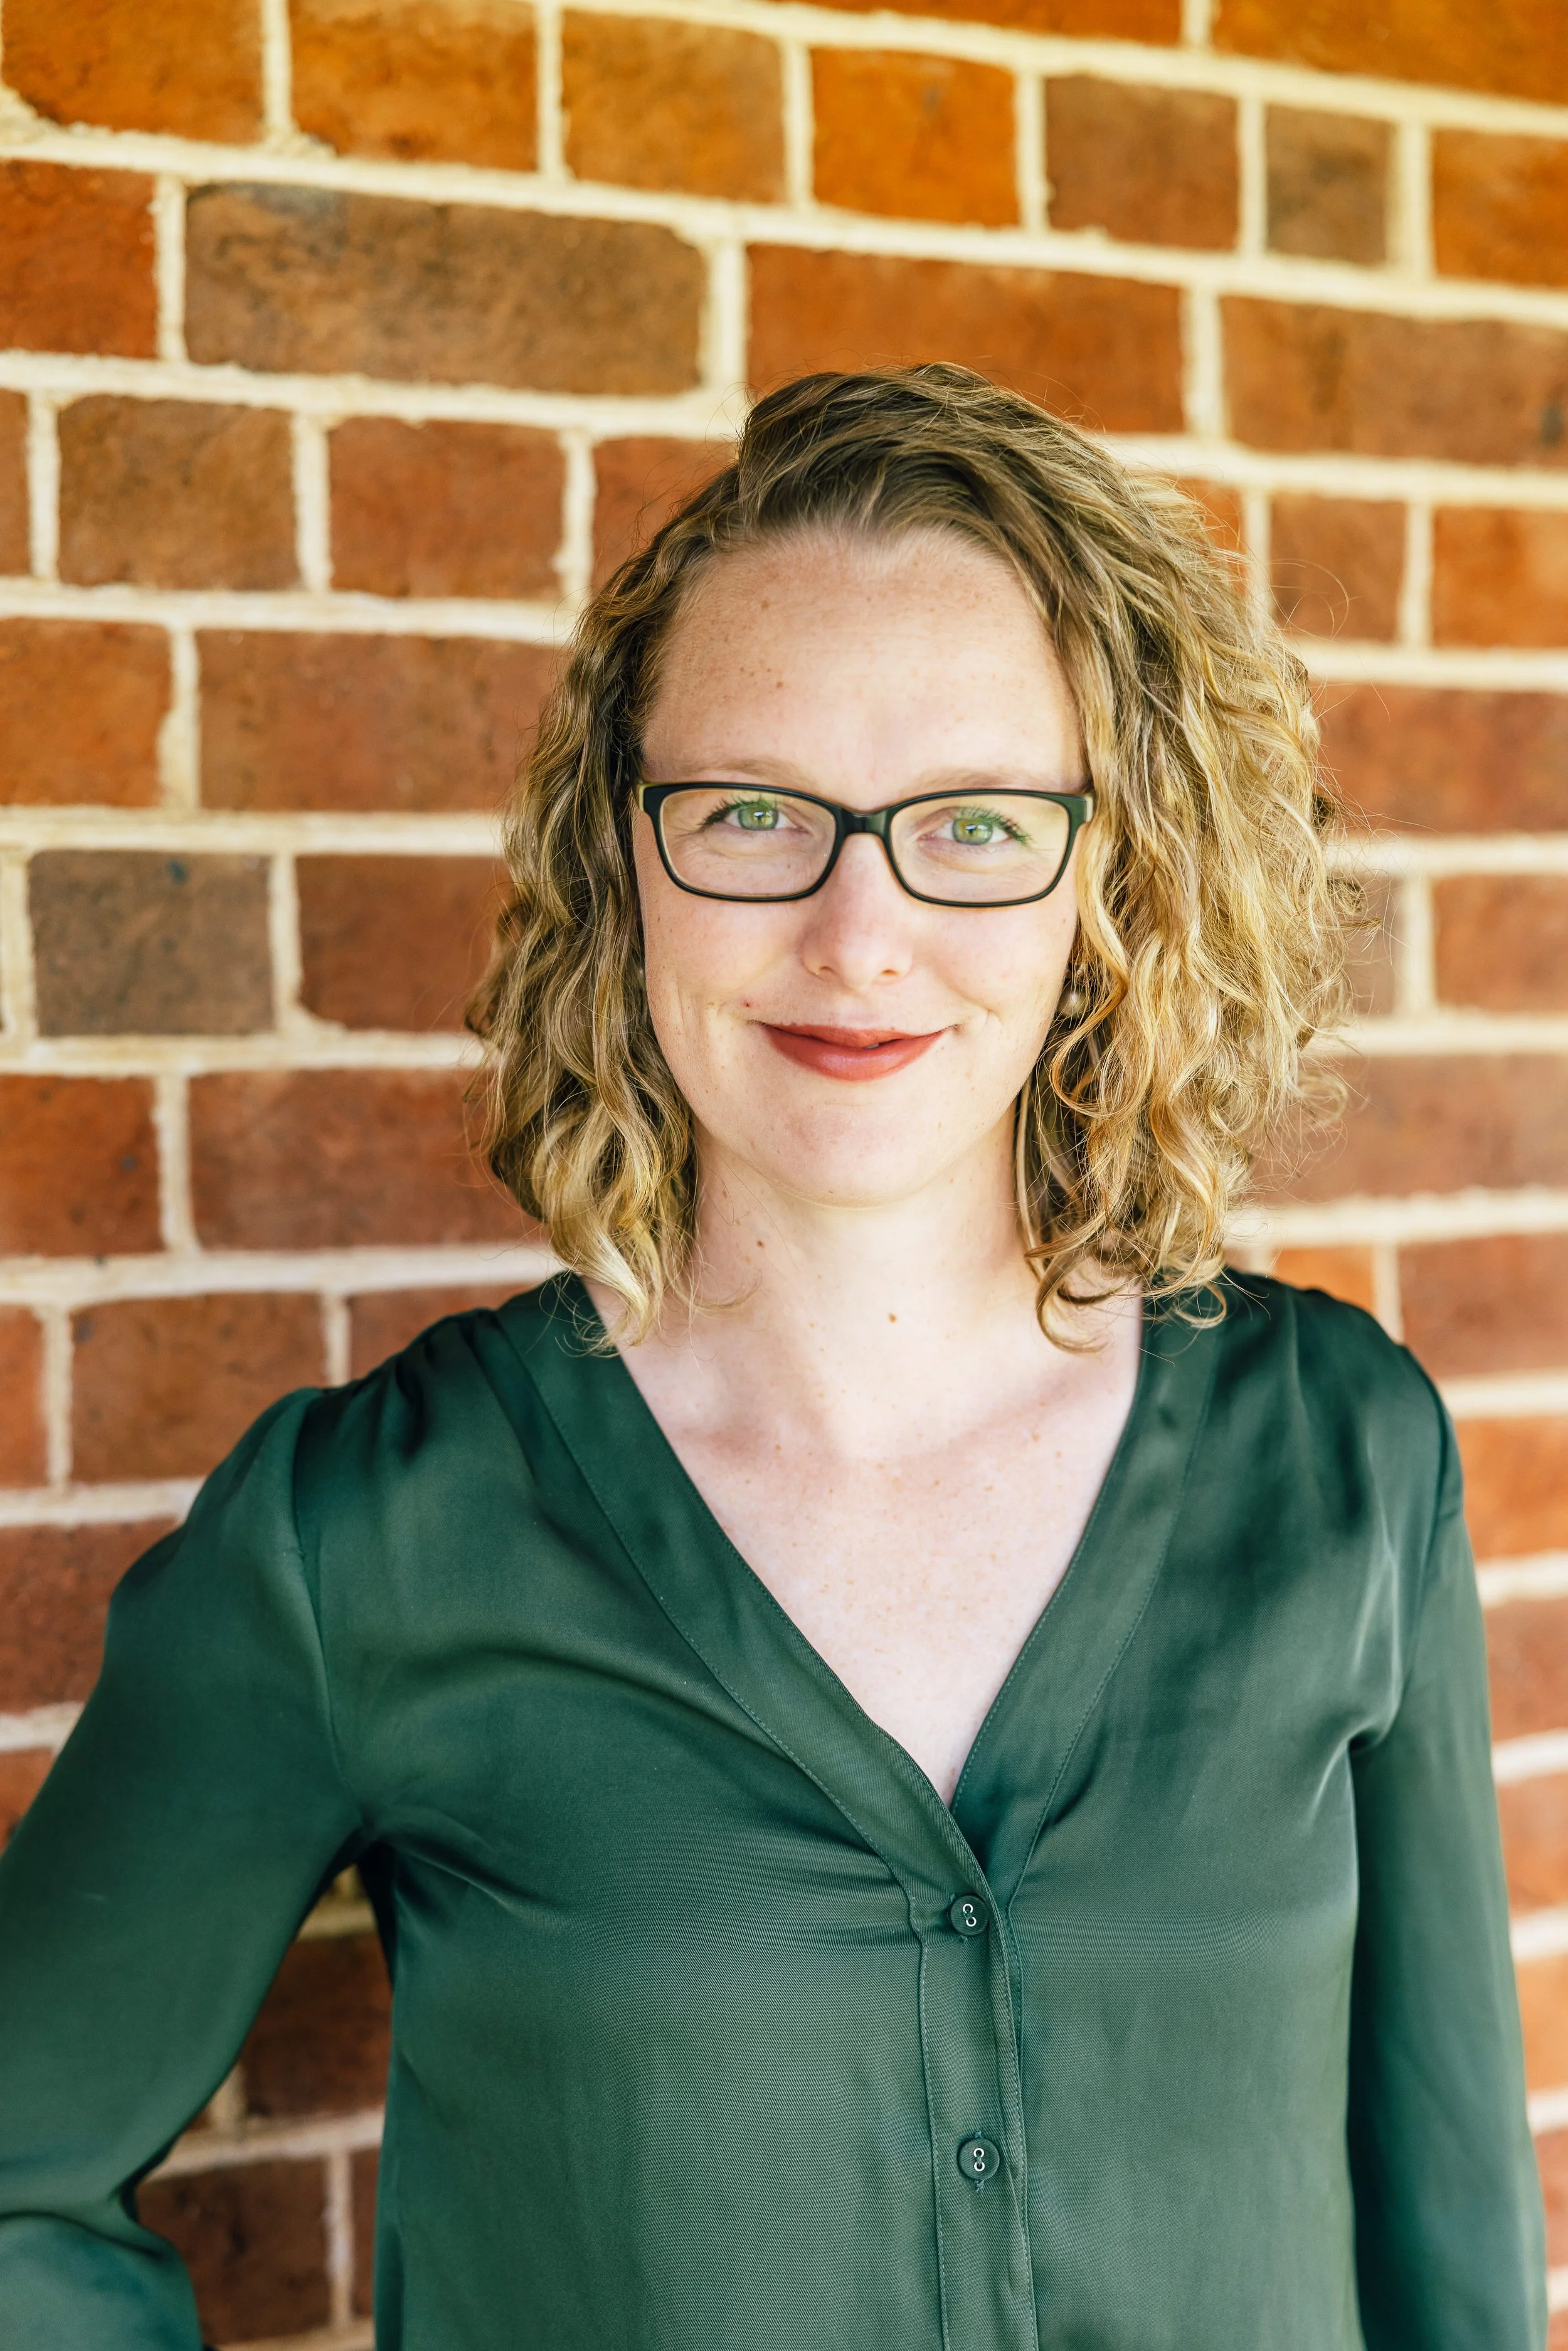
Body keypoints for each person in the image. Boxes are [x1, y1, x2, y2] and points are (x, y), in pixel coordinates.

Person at [0, 366, 1544, 2350]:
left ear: (1109, 874)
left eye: (975, 825)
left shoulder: (1343, 1456)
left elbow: (1450, 2249)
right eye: (751, 813)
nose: (858, 927)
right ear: (621, 851)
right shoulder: (365, 1534)